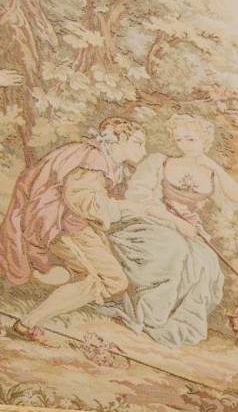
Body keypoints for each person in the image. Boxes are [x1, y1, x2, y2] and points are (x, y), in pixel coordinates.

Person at [0, 117, 154, 341]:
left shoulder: (102, 159)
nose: (143, 150)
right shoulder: (94, 159)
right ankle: (27, 324)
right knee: (108, 279)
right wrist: (125, 208)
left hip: (74, 225)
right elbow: (80, 199)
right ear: (116, 140)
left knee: (104, 279)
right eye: (138, 142)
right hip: (64, 226)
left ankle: (27, 324)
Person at [102, 114, 238, 348]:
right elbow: (141, 200)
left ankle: (172, 321)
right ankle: (149, 316)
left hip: (188, 230)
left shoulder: (210, 173)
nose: (184, 145)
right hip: (152, 221)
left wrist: (214, 166)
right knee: (173, 248)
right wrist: (176, 222)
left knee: (205, 262)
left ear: (204, 140)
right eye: (179, 139)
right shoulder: (160, 162)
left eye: (190, 139)